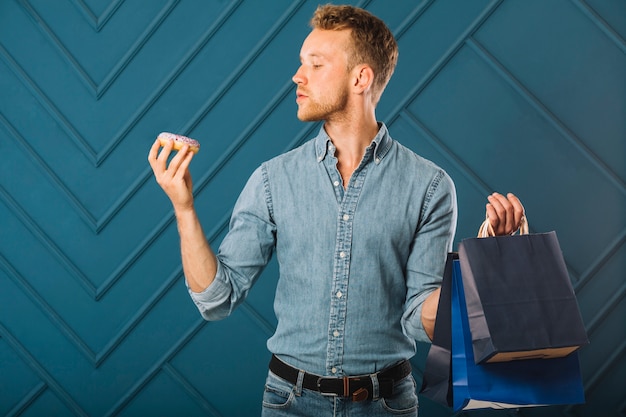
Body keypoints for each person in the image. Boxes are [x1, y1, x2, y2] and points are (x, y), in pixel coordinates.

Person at [148, 4, 524, 416]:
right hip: (287, 402)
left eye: (316, 64)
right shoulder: (273, 179)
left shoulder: (430, 186)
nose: (298, 75)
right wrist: (183, 208)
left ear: (360, 78)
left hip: (386, 404)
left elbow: (420, 319)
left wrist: (487, 266)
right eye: (300, 63)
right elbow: (217, 299)